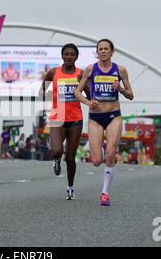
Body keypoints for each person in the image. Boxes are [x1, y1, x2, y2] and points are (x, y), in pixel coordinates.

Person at [75, 39, 134, 206]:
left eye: (106, 49)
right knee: (96, 161)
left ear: (111, 51)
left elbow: (131, 95)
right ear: (97, 51)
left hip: (114, 115)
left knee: (110, 154)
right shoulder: (90, 69)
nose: (103, 51)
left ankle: (105, 192)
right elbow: (77, 92)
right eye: (100, 49)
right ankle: (100, 144)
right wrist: (88, 102)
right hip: (95, 117)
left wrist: (121, 89)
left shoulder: (120, 70)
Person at [40, 43, 84, 200]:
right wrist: (48, 94)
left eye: (72, 54)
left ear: (76, 57)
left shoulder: (81, 74)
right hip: (57, 118)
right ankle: (56, 160)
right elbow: (41, 92)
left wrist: (82, 85)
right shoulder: (53, 72)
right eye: (66, 54)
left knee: (70, 157)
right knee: (57, 151)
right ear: (62, 56)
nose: (69, 57)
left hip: (75, 119)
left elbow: (90, 96)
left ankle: (70, 187)